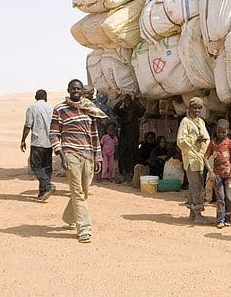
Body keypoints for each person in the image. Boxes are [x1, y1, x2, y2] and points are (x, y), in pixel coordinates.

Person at [50, 79, 108, 243]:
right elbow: (54, 134)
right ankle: (84, 229)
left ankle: (69, 218)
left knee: (84, 191)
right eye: (73, 88)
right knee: (77, 192)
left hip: (88, 155)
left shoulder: (89, 109)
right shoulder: (60, 109)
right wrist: (61, 155)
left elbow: (94, 135)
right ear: (68, 90)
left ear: (81, 91)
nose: (75, 91)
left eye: (78, 88)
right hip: (71, 155)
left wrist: (98, 157)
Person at [176, 97, 210, 224]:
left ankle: (192, 212)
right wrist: (195, 140)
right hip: (191, 158)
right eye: (194, 108)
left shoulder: (201, 122)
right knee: (197, 187)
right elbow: (180, 141)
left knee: (194, 186)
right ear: (189, 108)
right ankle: (197, 214)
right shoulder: (186, 122)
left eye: (199, 108)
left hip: (200, 158)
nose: (197, 110)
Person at [205, 119, 231, 229]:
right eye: (219, 132)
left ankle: (228, 219)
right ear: (216, 130)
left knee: (229, 198)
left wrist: (230, 166)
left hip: (229, 176)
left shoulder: (230, 143)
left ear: (228, 131)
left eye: (224, 132)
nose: (221, 134)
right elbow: (206, 157)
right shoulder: (213, 143)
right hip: (217, 175)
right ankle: (220, 219)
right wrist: (211, 171)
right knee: (220, 198)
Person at [20, 89, 55, 201]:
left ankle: (47, 185)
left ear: (36, 97)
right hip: (49, 142)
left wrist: (23, 140)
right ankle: (42, 193)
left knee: (35, 166)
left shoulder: (32, 108)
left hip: (38, 142)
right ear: (46, 97)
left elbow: (28, 125)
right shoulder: (51, 107)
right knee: (47, 167)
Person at [113, 94, 145, 180]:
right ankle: (124, 171)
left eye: (128, 101)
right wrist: (120, 101)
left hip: (133, 136)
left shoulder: (136, 112)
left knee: (133, 153)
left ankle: (132, 172)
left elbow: (143, 110)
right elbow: (115, 110)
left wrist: (135, 100)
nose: (127, 103)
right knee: (123, 153)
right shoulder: (122, 111)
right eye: (125, 101)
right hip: (124, 136)